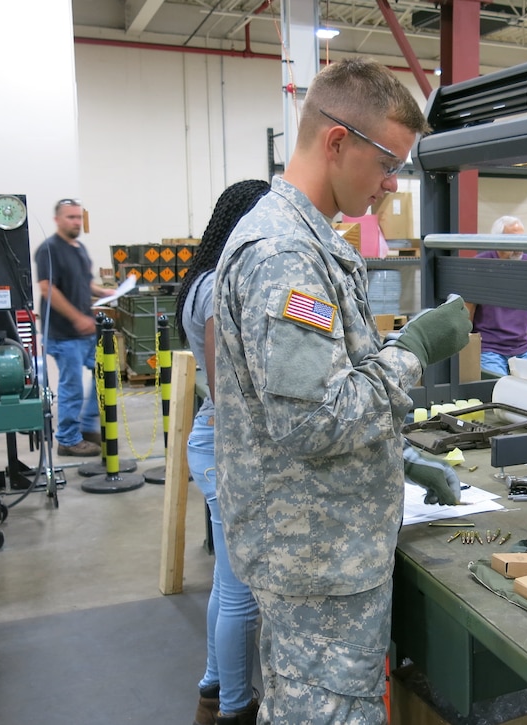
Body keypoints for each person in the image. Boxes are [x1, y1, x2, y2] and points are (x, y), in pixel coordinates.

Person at [212, 57, 471, 724]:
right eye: (387, 163)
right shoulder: (287, 258)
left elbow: (318, 390)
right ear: (336, 142)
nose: (391, 183)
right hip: (318, 556)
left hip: (319, 539)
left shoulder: (309, 241)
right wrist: (413, 351)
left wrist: (400, 455)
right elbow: (314, 423)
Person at [177, 180, 270, 725]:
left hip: (214, 438)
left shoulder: (205, 280)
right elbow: (228, 387)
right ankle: (236, 710)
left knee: (225, 582)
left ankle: (212, 691)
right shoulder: (219, 287)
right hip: (226, 442)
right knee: (243, 594)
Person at [34, 198, 106, 457]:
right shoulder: (48, 250)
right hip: (64, 334)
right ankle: (67, 439)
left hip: (86, 332)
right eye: (70, 217)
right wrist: (77, 317)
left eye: (78, 217)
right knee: (71, 387)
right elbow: (47, 288)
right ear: (57, 220)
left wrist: (106, 291)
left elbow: (85, 284)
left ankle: (86, 427)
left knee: (104, 378)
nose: (75, 221)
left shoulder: (80, 249)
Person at [466, 215, 527, 376]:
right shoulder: (480, 264)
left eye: (522, 240)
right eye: (513, 241)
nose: (519, 247)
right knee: (498, 390)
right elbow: (468, 311)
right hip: (489, 348)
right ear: (497, 240)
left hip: (522, 347)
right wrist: (467, 350)